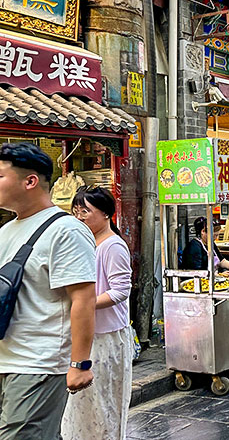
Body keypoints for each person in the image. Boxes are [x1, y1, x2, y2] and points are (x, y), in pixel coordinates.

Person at [0, 143, 96, 438]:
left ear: (29, 181)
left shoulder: (66, 230)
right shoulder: (6, 230)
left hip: (39, 362)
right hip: (7, 355)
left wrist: (80, 363)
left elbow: (83, 298)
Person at [62, 186, 132, 439]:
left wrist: (84, 304)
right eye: (76, 211)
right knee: (81, 406)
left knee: (103, 404)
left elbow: (120, 291)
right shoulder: (83, 242)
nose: (80, 217)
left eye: (86, 211)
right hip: (84, 334)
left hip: (106, 337)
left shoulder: (113, 246)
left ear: (106, 214)